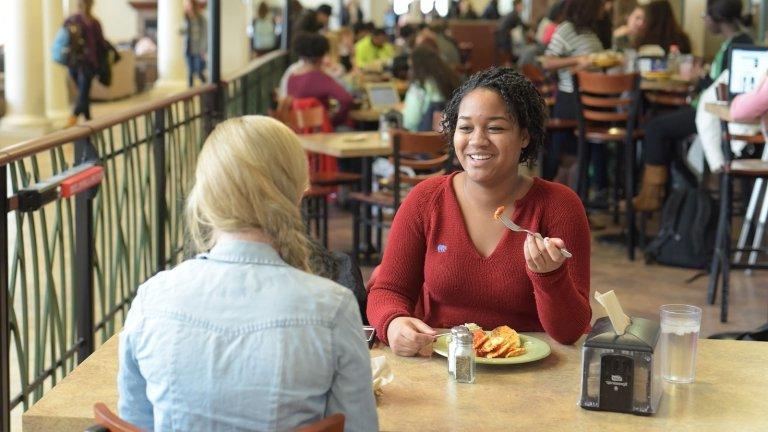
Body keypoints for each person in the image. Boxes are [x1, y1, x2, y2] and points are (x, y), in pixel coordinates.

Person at [117, 116, 379, 431]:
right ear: (298, 193)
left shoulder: (152, 299)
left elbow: (135, 421)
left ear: (205, 196)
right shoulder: (333, 308)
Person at [366, 68, 592, 357]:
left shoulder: (559, 206)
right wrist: (394, 324)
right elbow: (388, 290)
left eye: (495, 128)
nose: (477, 140)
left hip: (531, 378)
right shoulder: (425, 200)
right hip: (443, 368)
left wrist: (551, 276)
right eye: (465, 127)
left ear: (524, 136)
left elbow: (570, 331)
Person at [634, 0, 753, 211]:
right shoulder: (736, 41)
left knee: (655, 127)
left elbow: (725, 90)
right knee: (660, 127)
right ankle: (683, 187)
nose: (704, 21)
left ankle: (654, 195)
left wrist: (699, 78)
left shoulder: (738, 45)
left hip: (715, 114)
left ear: (718, 18)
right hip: (709, 110)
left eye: (705, 16)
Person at [540, 0, 605, 184]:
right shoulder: (567, 29)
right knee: (562, 150)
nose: (604, 8)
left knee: (587, 147)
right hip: (571, 98)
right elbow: (547, 62)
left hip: (591, 98)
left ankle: (595, 188)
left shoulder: (590, 32)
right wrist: (579, 60)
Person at [286, 33, 354, 126]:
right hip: (321, 131)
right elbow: (346, 99)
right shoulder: (319, 77)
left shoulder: (292, 77)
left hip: (298, 130)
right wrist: (334, 120)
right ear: (322, 55)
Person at [63, 0, 107, 125]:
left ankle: (80, 119)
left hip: (83, 64)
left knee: (83, 92)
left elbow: (100, 44)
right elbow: (101, 45)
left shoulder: (88, 22)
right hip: (79, 63)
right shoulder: (76, 20)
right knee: (83, 94)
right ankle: (84, 120)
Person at [401, 45, 461, 131]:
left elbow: (410, 122)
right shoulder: (452, 82)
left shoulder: (419, 87)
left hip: (421, 141)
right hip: (449, 141)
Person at [182, 0, 207, 87]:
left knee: (199, 71)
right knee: (190, 72)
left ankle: (206, 87)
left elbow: (204, 35)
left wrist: (203, 50)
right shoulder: (186, 18)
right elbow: (184, 32)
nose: (186, 6)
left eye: (188, 4)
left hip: (198, 50)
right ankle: (190, 94)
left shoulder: (201, 18)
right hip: (188, 49)